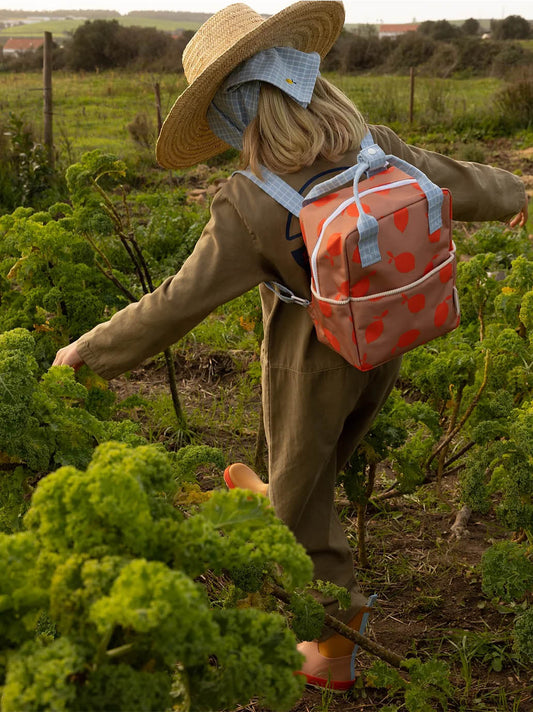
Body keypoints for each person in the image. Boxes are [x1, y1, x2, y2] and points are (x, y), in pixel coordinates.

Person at [54, 1, 528, 691]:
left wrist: (84, 354)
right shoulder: (373, 143)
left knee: (307, 507)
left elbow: (171, 308)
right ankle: (280, 483)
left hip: (311, 356)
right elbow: (451, 181)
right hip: (388, 334)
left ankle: (331, 647)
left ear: (232, 113)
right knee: (319, 451)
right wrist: (514, 190)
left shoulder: (248, 202)